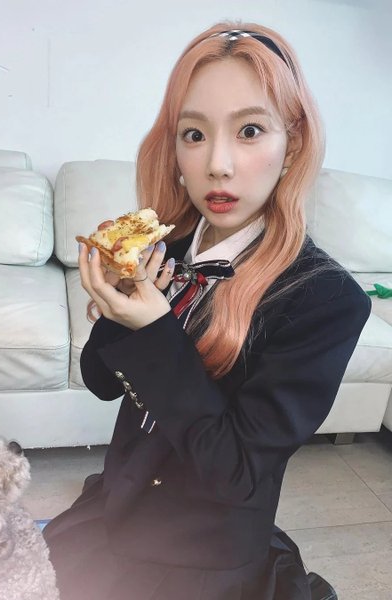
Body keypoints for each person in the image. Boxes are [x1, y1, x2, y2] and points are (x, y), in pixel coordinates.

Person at [43, 21, 371, 600]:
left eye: (249, 131)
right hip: (119, 508)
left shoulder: (325, 300)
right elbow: (100, 382)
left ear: (292, 145)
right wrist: (116, 307)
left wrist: (155, 329)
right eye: (194, 134)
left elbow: (236, 473)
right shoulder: (163, 249)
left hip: (203, 555)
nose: (218, 164)